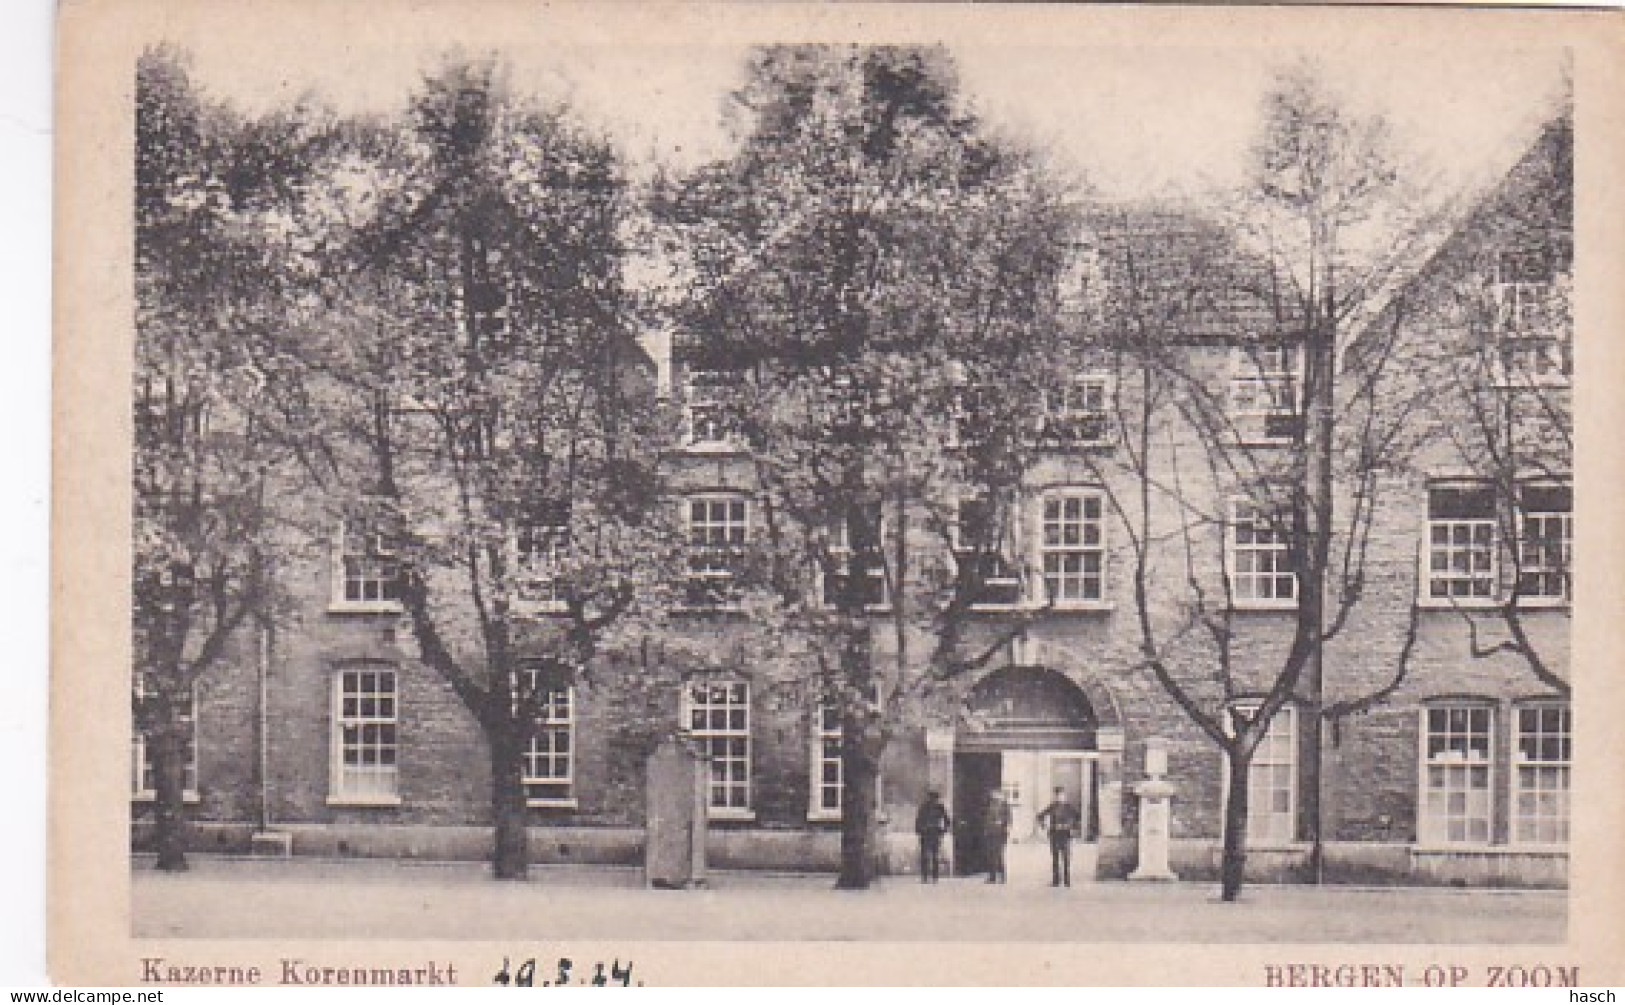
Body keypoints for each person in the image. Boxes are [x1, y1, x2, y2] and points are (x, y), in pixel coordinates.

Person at [1035, 786, 1082, 887]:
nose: (1059, 797)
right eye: (1057, 795)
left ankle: (1067, 880)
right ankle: (1056, 880)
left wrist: (1073, 828)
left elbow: (1078, 818)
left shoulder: (1069, 807)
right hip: (1054, 835)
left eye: (1061, 795)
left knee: (1066, 858)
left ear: (1064, 796)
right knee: (1055, 858)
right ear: (1054, 796)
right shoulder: (1052, 806)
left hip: (1065, 835)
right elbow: (1039, 816)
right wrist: (1044, 826)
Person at [914, 788, 950, 883]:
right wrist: (919, 830)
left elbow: (947, 820)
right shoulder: (926, 807)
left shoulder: (939, 807)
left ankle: (933, 877)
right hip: (928, 833)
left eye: (934, 798)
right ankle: (927, 877)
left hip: (933, 833)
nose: (932, 800)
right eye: (932, 798)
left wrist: (943, 830)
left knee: (933, 856)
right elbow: (918, 820)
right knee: (927, 856)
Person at [983, 790, 1012, 884]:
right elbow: (986, 818)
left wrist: (1004, 825)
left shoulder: (1005, 806)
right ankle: (992, 877)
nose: (994, 796)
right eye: (993, 795)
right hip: (991, 833)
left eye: (996, 794)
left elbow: (1009, 819)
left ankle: (1003, 877)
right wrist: (986, 829)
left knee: (999, 855)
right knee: (991, 855)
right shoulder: (990, 805)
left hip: (1000, 833)